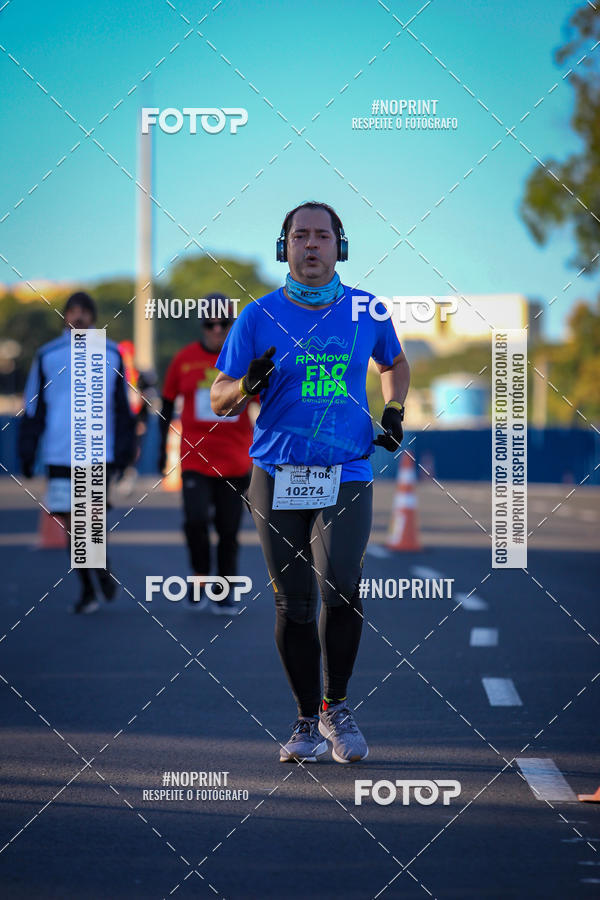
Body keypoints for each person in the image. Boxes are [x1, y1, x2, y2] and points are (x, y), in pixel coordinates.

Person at [211, 202, 410, 763]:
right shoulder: (257, 316)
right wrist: (246, 384)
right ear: (285, 247)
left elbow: (394, 363)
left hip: (346, 468)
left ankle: (336, 708)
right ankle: (304, 721)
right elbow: (219, 398)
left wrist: (394, 407)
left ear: (339, 247)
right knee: (293, 602)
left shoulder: (368, 309)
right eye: (300, 236)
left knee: (341, 585)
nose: (312, 245)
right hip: (276, 472)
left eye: (323, 235)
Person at [19, 291, 136, 613]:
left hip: (98, 453)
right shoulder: (47, 355)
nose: (79, 317)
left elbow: (122, 408)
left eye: (85, 311)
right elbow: (33, 407)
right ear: (65, 316)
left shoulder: (111, 353)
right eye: (73, 311)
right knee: (73, 524)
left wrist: (124, 453)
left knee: (92, 521)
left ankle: (100, 572)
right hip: (59, 454)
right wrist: (27, 450)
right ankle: (89, 585)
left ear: (93, 317)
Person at [158, 294, 255, 616]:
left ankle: (224, 590)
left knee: (228, 531)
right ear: (201, 324)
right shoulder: (184, 359)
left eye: (224, 324)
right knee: (195, 520)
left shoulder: (245, 360)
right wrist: (160, 451)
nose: (216, 329)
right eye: (210, 324)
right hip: (195, 460)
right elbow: (166, 404)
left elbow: (267, 406)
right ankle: (199, 578)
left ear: (232, 326)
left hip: (236, 461)